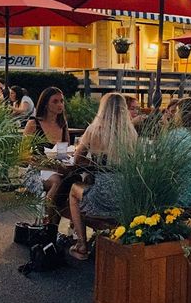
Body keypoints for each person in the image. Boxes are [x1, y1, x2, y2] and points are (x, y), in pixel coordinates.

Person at [68, 93, 137, 260]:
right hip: (125, 196)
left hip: (102, 196)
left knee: (73, 191)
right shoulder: (131, 133)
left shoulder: (94, 130)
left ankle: (82, 245)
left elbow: (77, 159)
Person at [22, 87, 71, 224]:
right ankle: (46, 219)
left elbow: (64, 152)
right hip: (36, 170)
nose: (60, 105)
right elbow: (23, 154)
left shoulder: (62, 125)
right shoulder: (34, 124)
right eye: (55, 101)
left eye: (61, 101)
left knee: (73, 180)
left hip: (56, 168)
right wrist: (44, 162)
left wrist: (64, 159)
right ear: (45, 104)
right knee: (57, 182)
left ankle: (65, 221)